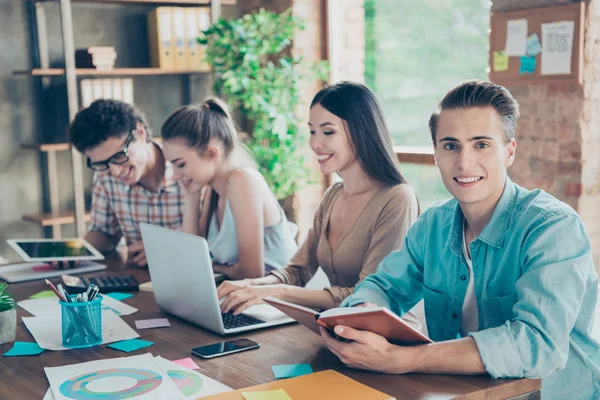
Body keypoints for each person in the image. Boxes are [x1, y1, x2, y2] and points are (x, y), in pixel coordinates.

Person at [320, 80, 600, 400]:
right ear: (437, 154)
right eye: (451, 145)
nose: (464, 162)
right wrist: (353, 321)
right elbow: (382, 286)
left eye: (481, 144)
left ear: (509, 152)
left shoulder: (553, 227)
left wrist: (401, 359)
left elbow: (537, 346)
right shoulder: (433, 225)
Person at [217, 82, 420, 328]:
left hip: (388, 342)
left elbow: (366, 297)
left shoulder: (397, 199)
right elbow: (298, 271)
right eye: (312, 131)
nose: (315, 143)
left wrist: (278, 293)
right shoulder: (333, 195)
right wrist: (251, 285)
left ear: (361, 132)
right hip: (339, 334)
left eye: (328, 132)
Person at [160, 98, 298, 280]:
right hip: (241, 297)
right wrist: (191, 197)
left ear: (212, 153)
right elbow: (193, 261)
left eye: (181, 164)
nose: (176, 175)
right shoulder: (212, 190)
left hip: (275, 301)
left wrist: (214, 266)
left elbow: (252, 275)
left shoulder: (243, 181)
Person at [69, 99, 184, 267]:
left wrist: (168, 246)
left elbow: (216, 239)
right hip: (140, 279)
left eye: (118, 157)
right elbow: (105, 233)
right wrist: (72, 251)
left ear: (140, 133)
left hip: (188, 274)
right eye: (102, 163)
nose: (115, 171)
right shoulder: (105, 176)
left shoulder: (185, 168)